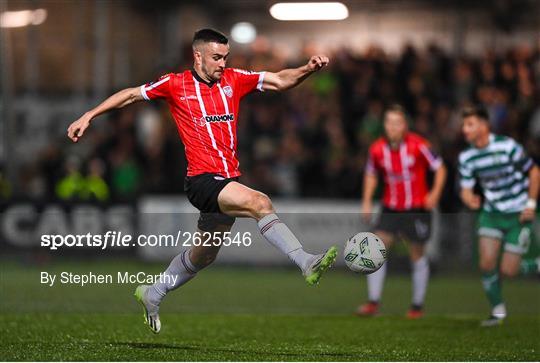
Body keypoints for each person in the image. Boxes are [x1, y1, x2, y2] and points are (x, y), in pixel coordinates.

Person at [67, 28, 337, 334]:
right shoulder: (175, 84)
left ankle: (153, 292)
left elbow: (279, 80)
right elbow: (130, 94)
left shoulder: (235, 79)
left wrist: (307, 69)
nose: (223, 63)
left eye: (226, 57)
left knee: (203, 255)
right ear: (198, 56)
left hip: (227, 180)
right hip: (202, 181)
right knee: (260, 202)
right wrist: (89, 115)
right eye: (216, 57)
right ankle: (305, 262)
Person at [357, 104, 447, 319]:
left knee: (417, 254)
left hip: (416, 208)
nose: (392, 127)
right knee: (376, 249)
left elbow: (441, 168)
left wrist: (434, 194)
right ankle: (373, 302)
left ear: (405, 125)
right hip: (391, 207)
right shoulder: (377, 149)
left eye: (397, 123)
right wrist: (367, 201)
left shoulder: (419, 145)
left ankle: (417, 305)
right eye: (388, 122)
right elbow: (371, 174)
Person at [458, 105, 539, 327]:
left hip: (518, 213)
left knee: (508, 271)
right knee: (486, 264)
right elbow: (465, 188)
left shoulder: (507, 147)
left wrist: (530, 204)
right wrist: (469, 199)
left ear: (484, 126)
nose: (465, 129)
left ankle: (535, 265)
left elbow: (534, 172)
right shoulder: (467, 156)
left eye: (470, 124)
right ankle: (498, 312)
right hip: (491, 214)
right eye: (464, 125)